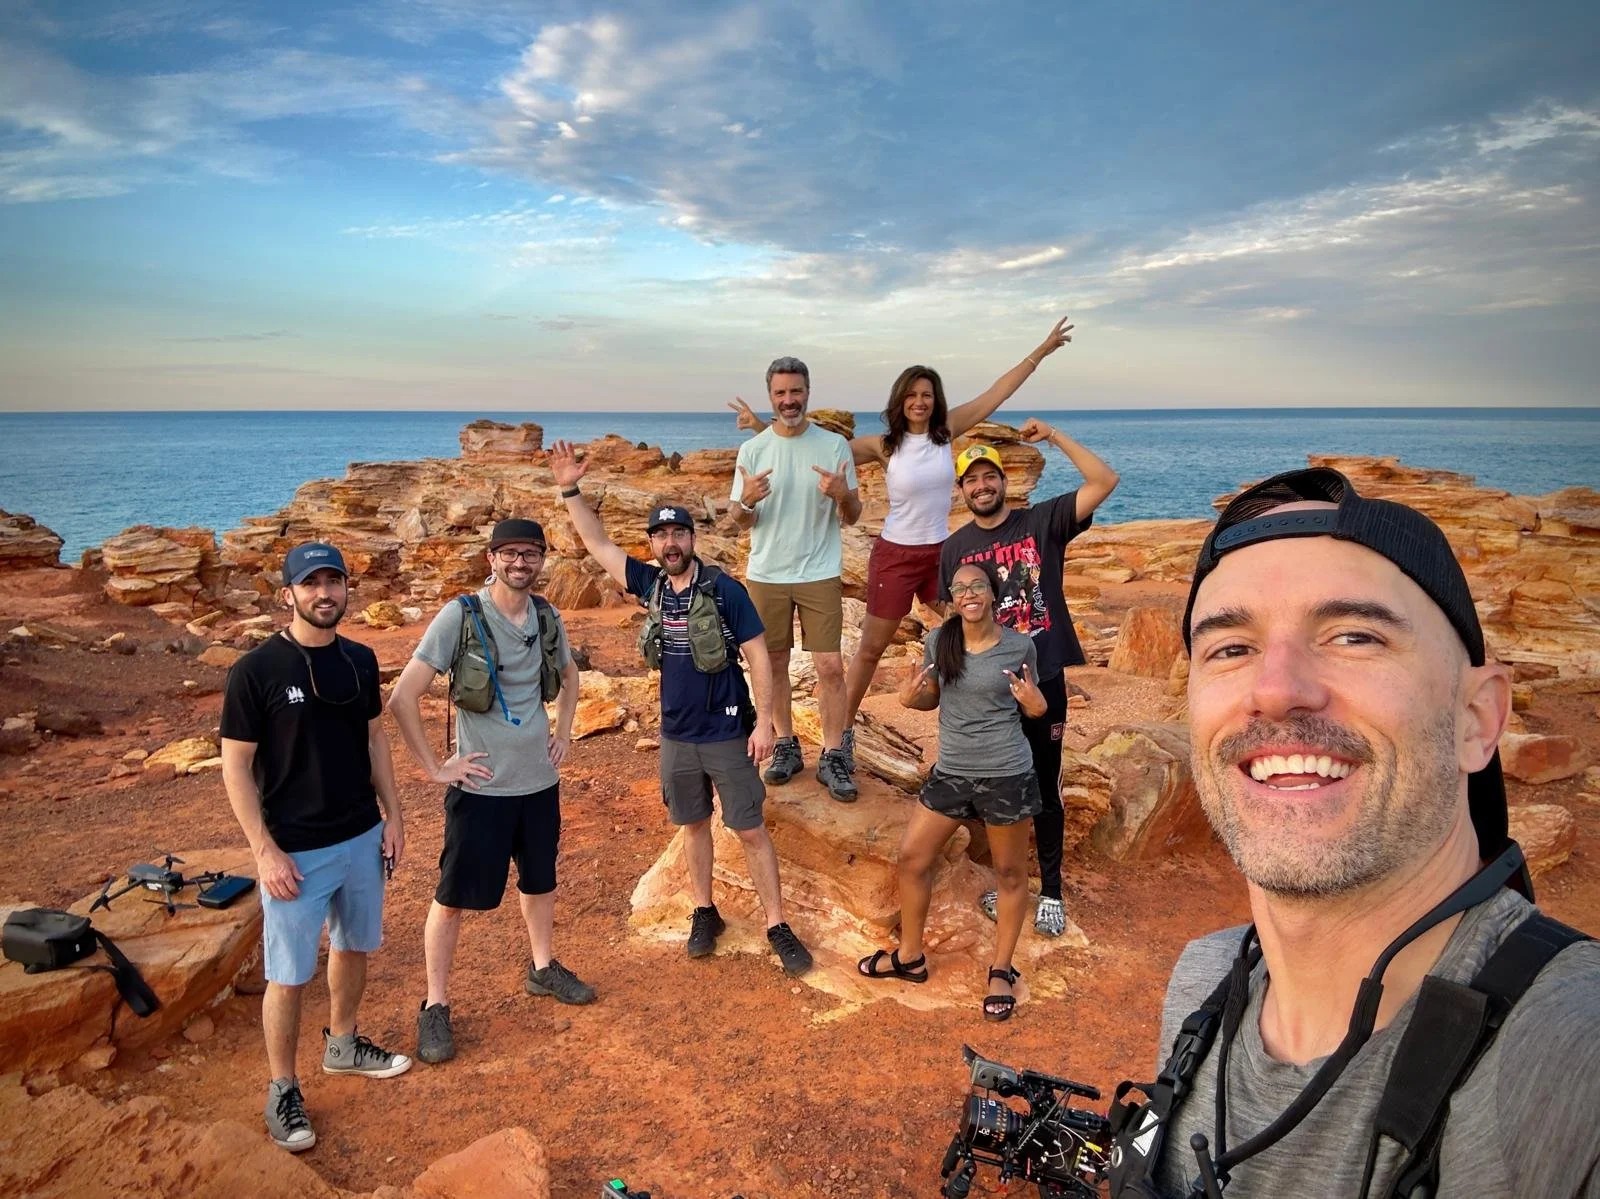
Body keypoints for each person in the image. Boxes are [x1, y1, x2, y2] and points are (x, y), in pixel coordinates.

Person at [1106, 467, 1600, 1199]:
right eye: (1231, 648)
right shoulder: (1204, 985)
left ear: (1477, 719)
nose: (1275, 689)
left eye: (1353, 634)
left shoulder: (1562, 1054)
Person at [730, 317, 1075, 783]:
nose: (919, 402)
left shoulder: (946, 432)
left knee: (974, 631)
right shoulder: (883, 445)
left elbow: (997, 393)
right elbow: (806, 446)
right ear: (899, 401)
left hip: (943, 555)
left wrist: (1043, 349)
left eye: (926, 395)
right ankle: (841, 742)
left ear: (935, 402)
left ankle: (998, 714)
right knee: (869, 651)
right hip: (894, 555)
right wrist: (761, 427)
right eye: (911, 395)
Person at [549, 440, 814, 975]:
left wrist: (765, 723)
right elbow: (597, 545)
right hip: (676, 735)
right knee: (693, 826)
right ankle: (704, 910)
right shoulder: (650, 585)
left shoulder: (725, 590)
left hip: (727, 731)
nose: (670, 543)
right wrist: (569, 489)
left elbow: (760, 657)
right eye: (661, 535)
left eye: (679, 533)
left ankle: (776, 923)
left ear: (693, 539)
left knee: (749, 829)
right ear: (653, 544)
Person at [219, 541, 411, 1154]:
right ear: (287, 595)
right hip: (295, 852)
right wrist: (264, 851)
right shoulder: (256, 671)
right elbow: (235, 769)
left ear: (347, 590)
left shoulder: (359, 659)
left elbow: (376, 741)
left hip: (359, 836)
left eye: (334, 581)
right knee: (289, 974)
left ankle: (344, 1044)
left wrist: (395, 815)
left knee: (355, 946)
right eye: (310, 584)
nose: (324, 593)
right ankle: (282, 1087)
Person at [388, 518, 588, 1067]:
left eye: (531, 553)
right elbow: (403, 697)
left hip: (539, 783)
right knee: (452, 898)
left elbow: (570, 676)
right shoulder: (461, 616)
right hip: (481, 788)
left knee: (540, 881)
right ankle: (435, 1004)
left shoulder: (547, 615)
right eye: (510, 553)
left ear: (542, 560)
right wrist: (435, 767)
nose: (521, 562)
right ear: (490, 558)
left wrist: (565, 732)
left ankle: (543, 969)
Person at [939, 422, 1119, 937]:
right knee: (1001, 788)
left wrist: (1058, 437)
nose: (980, 486)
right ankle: (1012, 881)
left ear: (1003, 480)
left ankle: (1053, 891)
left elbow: (1105, 481)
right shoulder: (954, 549)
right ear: (962, 490)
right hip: (986, 689)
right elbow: (951, 616)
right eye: (970, 480)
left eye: (988, 476)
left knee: (1044, 784)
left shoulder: (1042, 522)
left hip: (1043, 678)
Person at [856, 561, 1047, 1020]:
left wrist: (1035, 704)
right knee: (913, 858)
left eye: (977, 585)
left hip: (1005, 774)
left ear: (992, 593)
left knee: (1010, 875)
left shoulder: (1019, 646)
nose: (968, 594)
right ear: (952, 598)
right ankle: (910, 956)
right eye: (959, 588)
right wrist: (908, 696)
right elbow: (929, 698)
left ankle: (1001, 969)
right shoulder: (940, 641)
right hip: (952, 772)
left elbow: (1036, 706)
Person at [728, 356, 862, 801]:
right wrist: (746, 501)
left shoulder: (834, 446)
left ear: (808, 392)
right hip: (767, 574)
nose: (789, 400)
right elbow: (737, 521)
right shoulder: (753, 451)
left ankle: (834, 754)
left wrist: (843, 495)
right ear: (771, 396)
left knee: (829, 667)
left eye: (796, 391)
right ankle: (785, 745)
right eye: (781, 393)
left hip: (820, 570)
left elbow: (855, 513)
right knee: (775, 663)